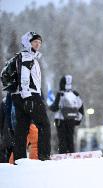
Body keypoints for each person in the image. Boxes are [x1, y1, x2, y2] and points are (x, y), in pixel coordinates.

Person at [11, 32, 51, 162]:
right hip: (29, 94)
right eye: (35, 42)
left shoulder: (20, 56)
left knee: (21, 128)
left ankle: (19, 158)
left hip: (18, 96)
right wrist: (28, 97)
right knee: (44, 124)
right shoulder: (28, 56)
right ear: (28, 42)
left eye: (39, 43)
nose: (38, 45)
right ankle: (44, 156)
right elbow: (24, 77)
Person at [49, 75, 84, 154]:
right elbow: (81, 107)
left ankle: (63, 154)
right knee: (70, 137)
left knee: (62, 138)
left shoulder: (60, 94)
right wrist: (78, 120)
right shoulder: (75, 94)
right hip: (71, 119)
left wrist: (49, 107)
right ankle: (71, 153)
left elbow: (55, 107)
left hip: (60, 120)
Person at [0, 93, 15, 163]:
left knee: (9, 153)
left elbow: (1, 120)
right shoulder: (20, 99)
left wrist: (2, 133)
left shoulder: (4, 101)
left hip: (7, 132)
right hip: (17, 132)